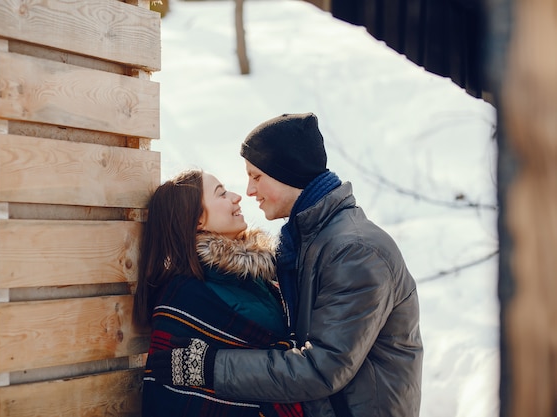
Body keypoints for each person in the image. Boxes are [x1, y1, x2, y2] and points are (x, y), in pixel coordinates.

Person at [148, 113, 424, 417]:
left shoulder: (353, 250)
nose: (248, 192)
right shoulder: (308, 243)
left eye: (256, 176)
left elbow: (322, 368)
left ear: (286, 173)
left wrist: (211, 366)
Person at [134, 169, 303, 417]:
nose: (237, 197)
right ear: (198, 220)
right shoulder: (184, 297)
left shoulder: (263, 278)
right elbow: (172, 399)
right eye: (221, 194)